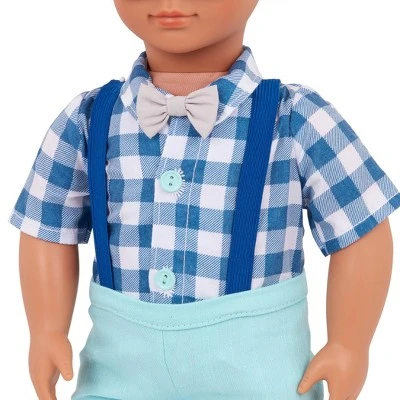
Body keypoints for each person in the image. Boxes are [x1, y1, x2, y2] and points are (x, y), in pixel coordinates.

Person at [8, 0, 400, 399]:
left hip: (257, 378)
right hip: (117, 375)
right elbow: (46, 227)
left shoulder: (294, 116)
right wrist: (46, 330)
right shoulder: (91, 117)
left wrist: (349, 344)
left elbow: (361, 228)